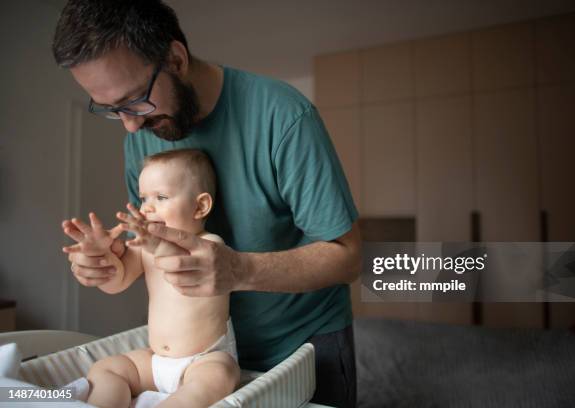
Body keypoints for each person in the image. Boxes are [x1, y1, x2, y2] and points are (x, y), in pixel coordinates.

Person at [53, 1, 361, 406]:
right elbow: (144, 249)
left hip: (300, 346)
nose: (129, 124)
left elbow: (351, 257)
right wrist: (106, 263)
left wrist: (239, 269)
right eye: (111, 110)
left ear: (176, 59)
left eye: (134, 101)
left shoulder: (283, 116)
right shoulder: (141, 137)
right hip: (183, 357)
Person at [62, 149, 239, 408]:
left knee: (221, 376)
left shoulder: (210, 246)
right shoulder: (144, 248)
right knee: (105, 369)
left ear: (200, 206)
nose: (148, 207)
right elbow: (116, 281)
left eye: (161, 197)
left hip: (204, 359)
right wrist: (103, 257)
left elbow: (181, 265)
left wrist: (154, 244)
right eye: (144, 198)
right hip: (156, 360)